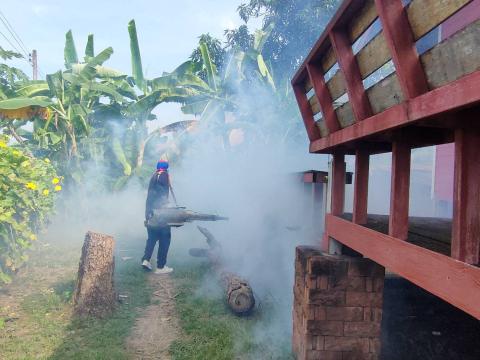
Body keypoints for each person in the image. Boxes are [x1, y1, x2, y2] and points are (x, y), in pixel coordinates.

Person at [141, 160, 174, 274]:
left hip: (150, 213)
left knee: (152, 238)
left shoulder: (154, 177)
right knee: (165, 239)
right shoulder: (164, 176)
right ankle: (161, 267)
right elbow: (161, 194)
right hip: (161, 215)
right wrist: (165, 204)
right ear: (166, 169)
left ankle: (146, 260)